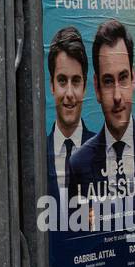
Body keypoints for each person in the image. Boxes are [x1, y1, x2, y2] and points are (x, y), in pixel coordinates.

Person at [68, 20, 135, 219]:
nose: (117, 96)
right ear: (97, 89)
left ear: (133, 80)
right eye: (108, 82)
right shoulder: (78, 164)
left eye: (123, 78)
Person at [46, 26, 92, 200]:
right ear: (52, 85)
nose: (70, 94)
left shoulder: (105, 152)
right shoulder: (36, 156)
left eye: (76, 81)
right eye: (62, 81)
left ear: (85, 87)